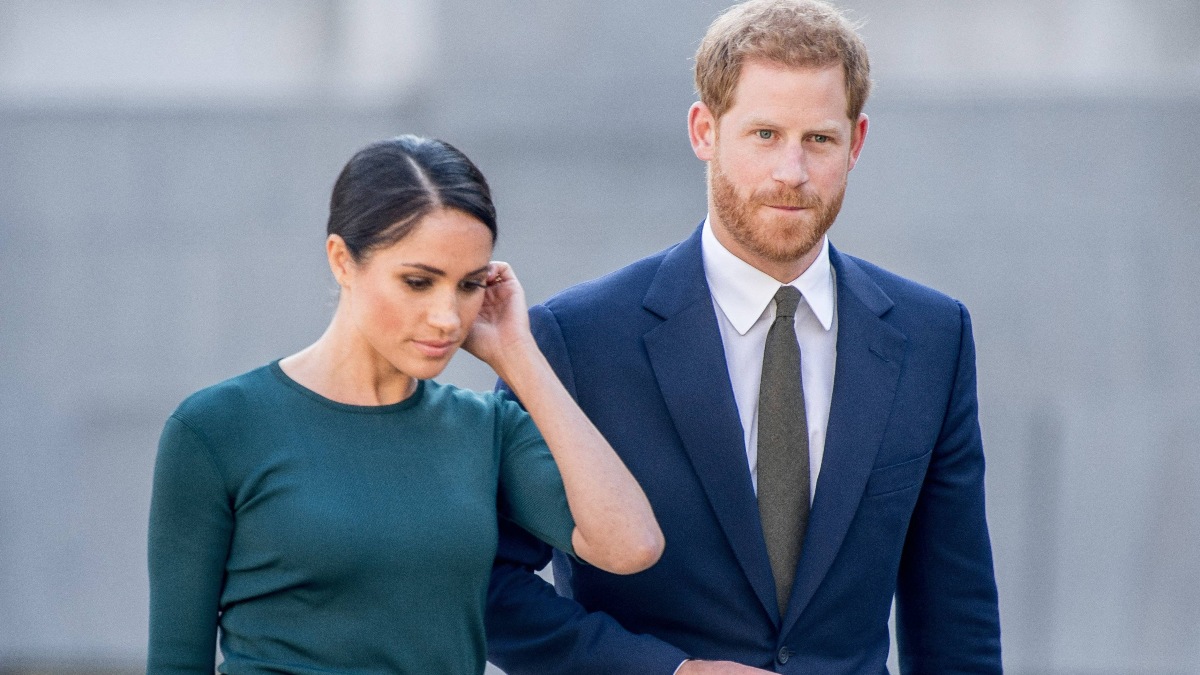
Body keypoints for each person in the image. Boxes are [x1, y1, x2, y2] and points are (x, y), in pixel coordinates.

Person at [484, 0, 1001, 673]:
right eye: (764, 134)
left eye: (818, 139)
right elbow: (489, 586)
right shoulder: (574, 341)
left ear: (857, 141)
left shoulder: (934, 338)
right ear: (705, 129)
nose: (791, 171)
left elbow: (956, 621)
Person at [146, 135, 664, 675]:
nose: (447, 316)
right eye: (418, 282)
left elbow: (631, 546)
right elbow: (176, 661)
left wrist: (519, 358)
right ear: (342, 260)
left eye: (469, 285)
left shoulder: (486, 431)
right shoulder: (217, 429)